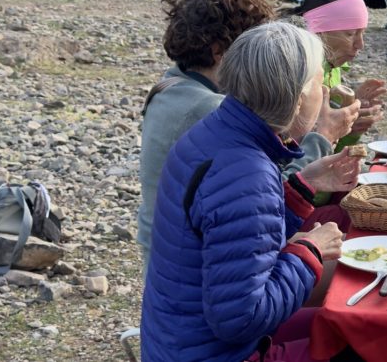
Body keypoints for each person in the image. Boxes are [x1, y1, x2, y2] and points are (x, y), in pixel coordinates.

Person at [142, 22, 344, 361]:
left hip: (176, 339)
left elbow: (236, 237)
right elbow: (240, 318)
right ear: (297, 99)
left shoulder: (215, 132)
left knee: (340, 321)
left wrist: (299, 189)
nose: (323, 93)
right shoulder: (248, 172)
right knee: (360, 340)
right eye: (318, 84)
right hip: (218, 351)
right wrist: (310, 251)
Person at [138, 0, 358, 265]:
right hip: (195, 258)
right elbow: (267, 196)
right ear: (220, 52)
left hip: (178, 249)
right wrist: (323, 136)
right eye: (252, 48)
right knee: (339, 227)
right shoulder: (212, 111)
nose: (263, 61)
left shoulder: (173, 85)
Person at [282, 0, 386, 152]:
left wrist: (350, 127)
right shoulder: (294, 72)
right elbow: (289, 155)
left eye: (362, 33)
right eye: (350, 34)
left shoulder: (332, 68)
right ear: (318, 30)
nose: (360, 44)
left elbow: (326, 155)